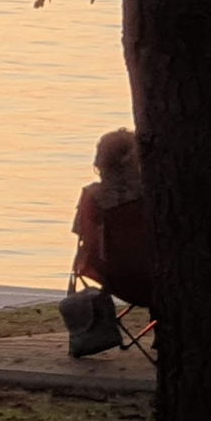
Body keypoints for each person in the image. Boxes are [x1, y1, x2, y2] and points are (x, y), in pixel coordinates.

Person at [71, 128, 151, 306]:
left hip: (111, 277)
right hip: (156, 274)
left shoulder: (93, 197)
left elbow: (84, 238)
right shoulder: (152, 195)